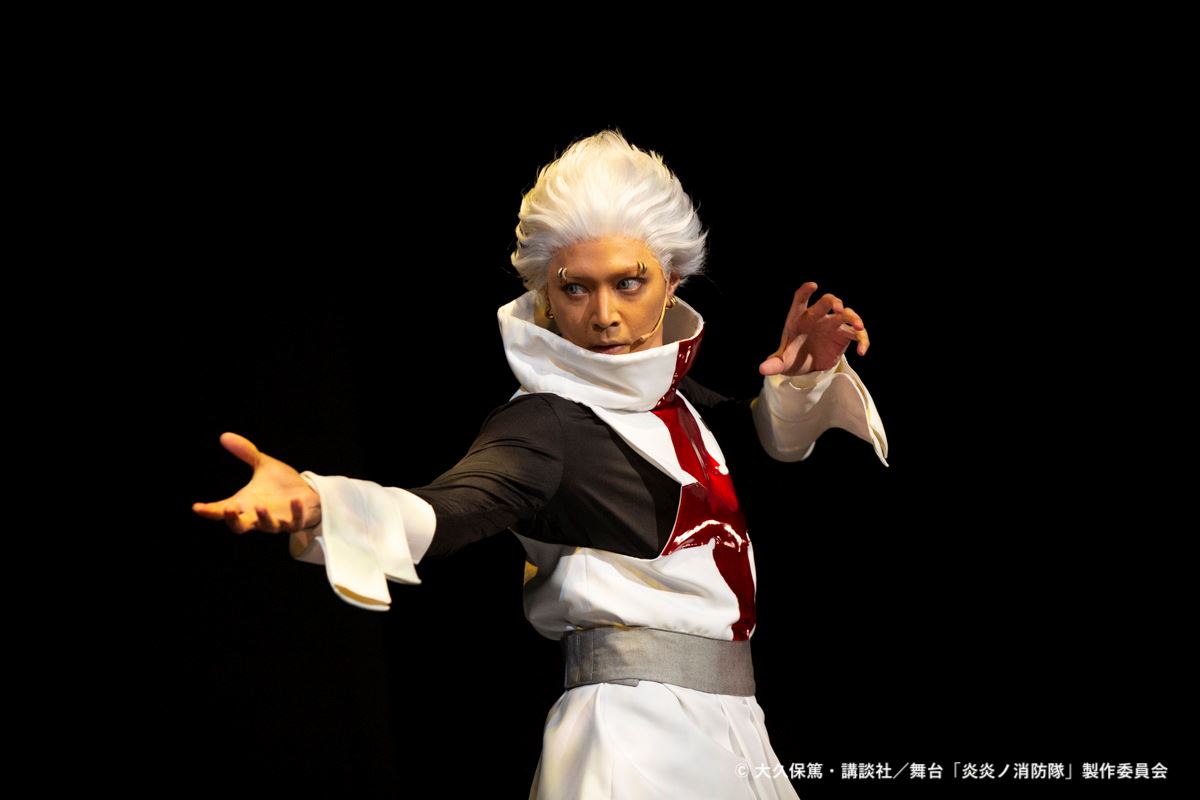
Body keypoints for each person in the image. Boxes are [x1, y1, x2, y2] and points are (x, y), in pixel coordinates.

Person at [193, 129, 888, 799]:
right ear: (546, 298)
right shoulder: (546, 421)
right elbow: (454, 503)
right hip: (633, 738)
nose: (605, 315)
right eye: (576, 288)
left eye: (629, 283)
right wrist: (324, 503)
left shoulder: (677, 401)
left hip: (732, 727)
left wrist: (802, 378)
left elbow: (754, 448)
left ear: (672, 281)